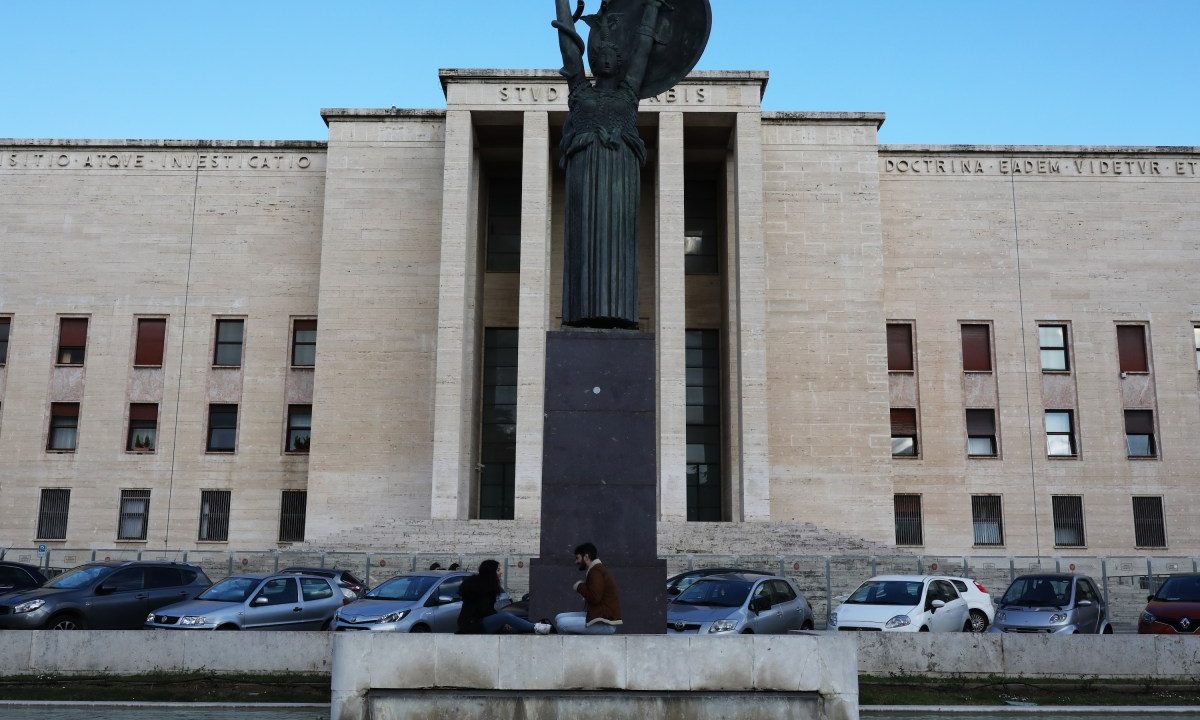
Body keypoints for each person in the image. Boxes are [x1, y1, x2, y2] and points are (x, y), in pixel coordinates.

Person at [551, 0, 669, 328]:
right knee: (583, 241)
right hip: (585, 171)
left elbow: (643, 47)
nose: (604, 57)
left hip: (620, 171)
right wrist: (562, 4)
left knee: (619, 242)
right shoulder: (579, 91)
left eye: (611, 55)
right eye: (599, 54)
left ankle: (621, 312)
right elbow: (568, 47)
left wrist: (653, 9)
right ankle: (580, 312)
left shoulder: (629, 93)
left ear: (619, 63)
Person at [458, 559, 551, 635]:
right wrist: (502, 623)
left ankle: (536, 624)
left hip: (482, 622)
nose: (501, 572)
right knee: (505, 616)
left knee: (514, 622)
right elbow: (483, 612)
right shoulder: (479, 588)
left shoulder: (489, 587)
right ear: (490, 572)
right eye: (498, 570)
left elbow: (489, 612)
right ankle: (536, 627)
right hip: (473, 625)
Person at [554, 542, 622, 634]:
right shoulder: (596, 569)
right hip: (598, 617)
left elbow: (594, 598)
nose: (576, 562)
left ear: (586, 557)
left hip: (605, 624)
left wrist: (579, 586)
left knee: (562, 623)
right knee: (559, 617)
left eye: (577, 558)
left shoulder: (596, 571)